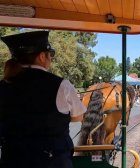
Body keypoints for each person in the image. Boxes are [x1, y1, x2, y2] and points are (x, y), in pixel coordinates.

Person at [0, 31, 86, 168]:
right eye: (50, 54)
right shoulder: (61, 85)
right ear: (41, 56)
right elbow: (78, 117)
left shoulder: (3, 86)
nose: (51, 58)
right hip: (53, 162)